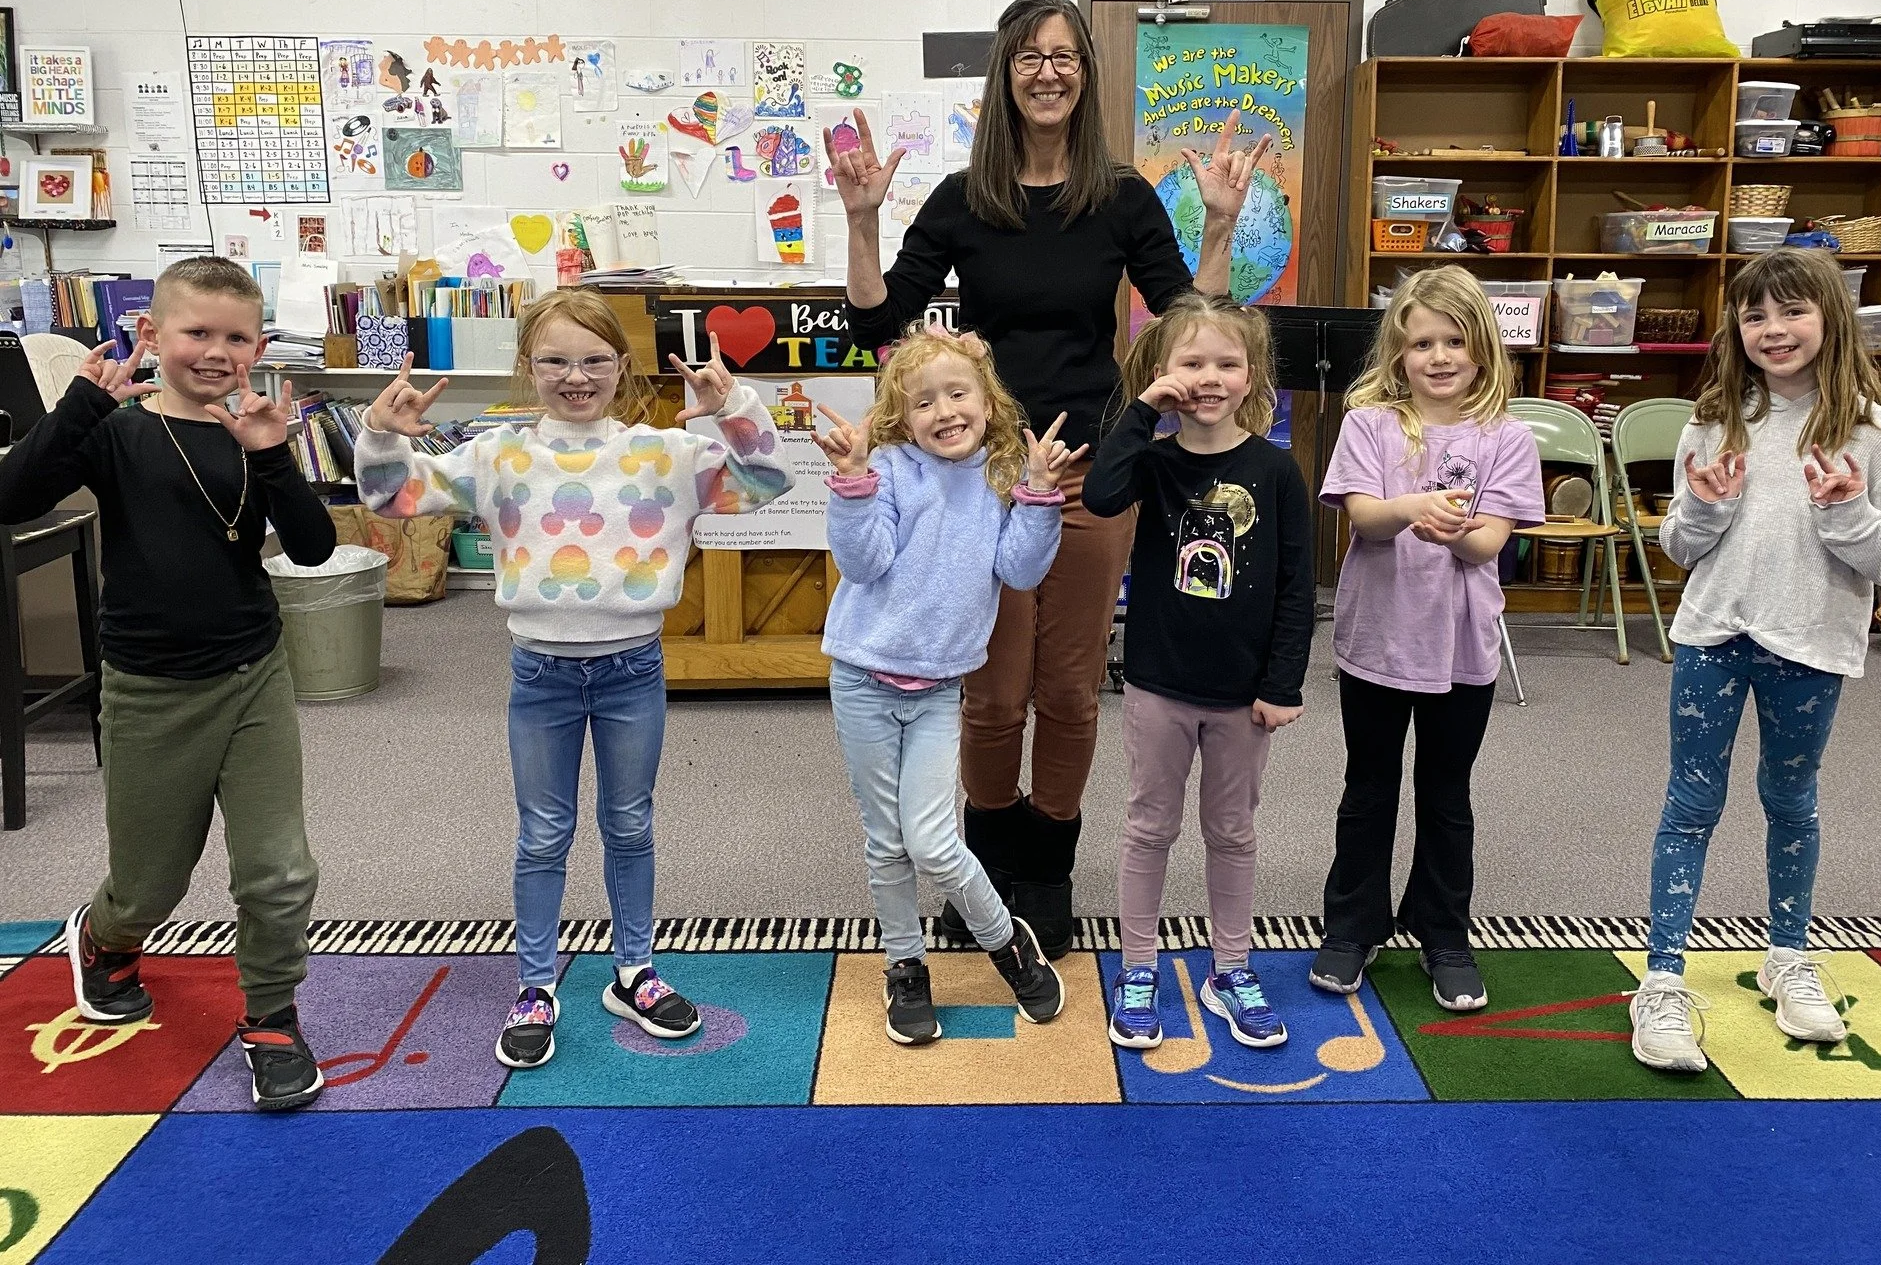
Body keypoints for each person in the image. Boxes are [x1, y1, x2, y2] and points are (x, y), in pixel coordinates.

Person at [830, 0, 1271, 956]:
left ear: (1086, 74)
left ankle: (1049, 871)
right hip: (977, 477)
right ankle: (980, 862)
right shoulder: (962, 199)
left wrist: (1222, 229)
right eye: (1029, 55)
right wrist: (862, 222)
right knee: (989, 695)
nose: (1048, 70)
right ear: (1006, 73)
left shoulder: (1119, 197)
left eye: (1065, 55)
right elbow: (878, 320)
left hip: (1087, 469)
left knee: (1069, 691)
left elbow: (1191, 327)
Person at [353, 289, 789, 1070]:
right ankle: (535, 984)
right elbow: (393, 497)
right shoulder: (498, 456)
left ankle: (635, 972)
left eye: (594, 360)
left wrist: (736, 405)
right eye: (555, 360)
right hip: (540, 672)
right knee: (543, 832)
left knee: (630, 823)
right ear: (527, 367)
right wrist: (381, 432)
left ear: (623, 367)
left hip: (632, 669)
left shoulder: (665, 456)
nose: (575, 376)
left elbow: (767, 481)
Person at [0, 257, 335, 1110]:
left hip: (254, 677)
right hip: (149, 688)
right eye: (196, 333)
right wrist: (79, 405)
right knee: (150, 883)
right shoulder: (118, 430)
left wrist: (272, 459)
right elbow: (11, 496)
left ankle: (269, 1016)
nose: (216, 352)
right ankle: (106, 940)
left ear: (259, 346)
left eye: (235, 337)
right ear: (151, 334)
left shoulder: (254, 428)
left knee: (278, 869)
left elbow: (313, 550)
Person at [1629, 249, 1881, 1073]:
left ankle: (1787, 956)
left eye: (1791, 312)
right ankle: (1661, 978)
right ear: (1737, 329)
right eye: (1755, 316)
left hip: (1811, 642)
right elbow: (1679, 547)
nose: (1773, 330)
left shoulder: (1876, 430)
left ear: (1829, 317)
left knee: (1791, 800)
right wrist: (1706, 505)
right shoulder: (1715, 418)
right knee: (1690, 803)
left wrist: (1850, 514)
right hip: (1714, 636)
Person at [815, 329, 1076, 1044]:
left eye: (957, 394)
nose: (944, 411)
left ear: (988, 403)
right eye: (923, 401)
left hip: (935, 690)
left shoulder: (1001, 475)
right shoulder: (893, 468)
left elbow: (1021, 571)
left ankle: (1005, 944)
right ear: (903, 414)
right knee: (885, 842)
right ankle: (906, 966)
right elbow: (864, 565)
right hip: (864, 678)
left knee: (931, 840)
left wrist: (1041, 498)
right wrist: (853, 484)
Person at [1082, 295, 1315, 1051]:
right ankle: (1140, 966)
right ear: (1162, 372)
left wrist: (1282, 683)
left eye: (1226, 363)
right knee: (1149, 827)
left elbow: (1294, 584)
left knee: (1233, 831)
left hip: (1243, 693)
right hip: (1157, 680)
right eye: (1190, 362)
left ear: (1252, 376)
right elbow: (1100, 491)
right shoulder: (1152, 458)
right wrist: (1143, 410)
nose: (1209, 377)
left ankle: (1231, 967)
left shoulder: (1277, 470)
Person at [1310, 266, 1543, 1015]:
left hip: (1461, 649)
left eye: (1455, 341)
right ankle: (1352, 925)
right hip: (1377, 639)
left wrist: (1462, 531)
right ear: (1398, 352)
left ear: (1482, 349)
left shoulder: (1508, 436)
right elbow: (1365, 520)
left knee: (1447, 794)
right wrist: (1413, 507)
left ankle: (1444, 931)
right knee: (1367, 787)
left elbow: (1492, 544)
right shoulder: (1369, 422)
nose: (1439, 357)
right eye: (1422, 343)